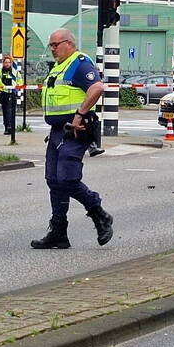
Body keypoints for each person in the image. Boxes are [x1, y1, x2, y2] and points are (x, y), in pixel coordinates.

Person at [31, 28, 113, 249]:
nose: (53, 49)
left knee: (67, 178)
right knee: (53, 180)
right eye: (51, 45)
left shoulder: (79, 63)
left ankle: (99, 214)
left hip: (75, 130)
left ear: (69, 43)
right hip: (58, 131)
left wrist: (80, 114)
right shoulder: (59, 68)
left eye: (56, 45)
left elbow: (96, 87)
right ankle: (59, 231)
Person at [0, 55, 21, 135]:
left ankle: (11, 127)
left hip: (12, 94)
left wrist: (17, 88)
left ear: (11, 63)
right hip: (4, 94)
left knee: (11, 112)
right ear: (3, 63)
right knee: (5, 112)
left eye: (9, 62)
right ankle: (7, 127)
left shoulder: (15, 73)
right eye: (6, 62)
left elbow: (20, 82)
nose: (7, 64)